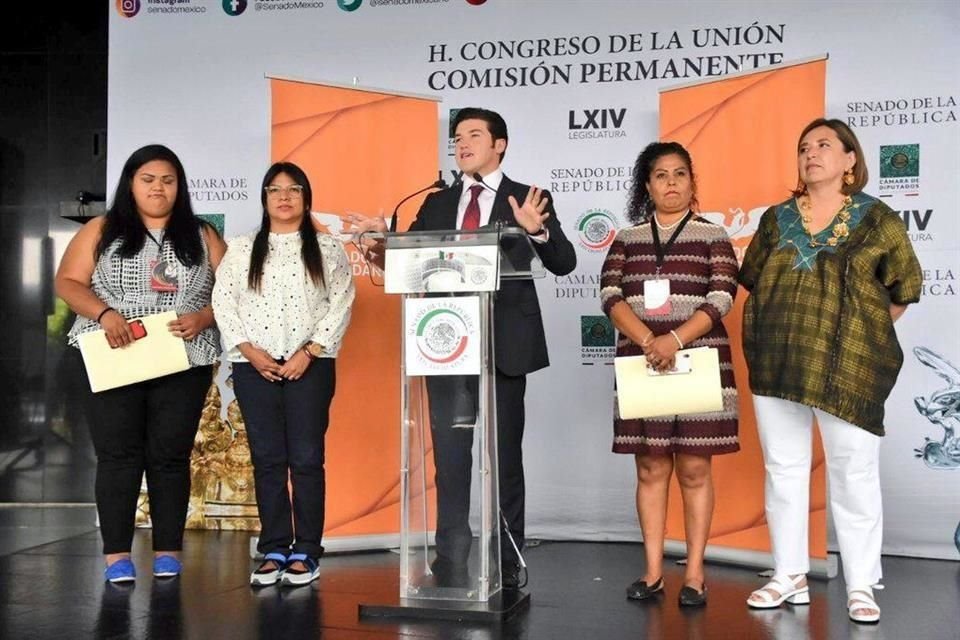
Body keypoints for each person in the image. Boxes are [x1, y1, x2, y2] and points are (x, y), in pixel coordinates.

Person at [352, 107, 576, 589]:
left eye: (475, 135)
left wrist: (535, 230)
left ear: (501, 144)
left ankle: (508, 557)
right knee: (451, 459)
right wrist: (380, 249)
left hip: (505, 346)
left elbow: (563, 262)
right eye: (457, 137)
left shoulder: (527, 197)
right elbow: (407, 256)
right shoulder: (435, 202)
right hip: (446, 343)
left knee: (504, 458)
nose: (463, 143)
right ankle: (450, 559)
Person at [740, 119, 922, 623]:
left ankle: (862, 584)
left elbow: (902, 290)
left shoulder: (877, 219)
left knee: (853, 472)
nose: (811, 153)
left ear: (849, 160)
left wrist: (853, 332)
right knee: (784, 469)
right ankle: (788, 574)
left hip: (848, 365)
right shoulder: (776, 220)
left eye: (824, 145)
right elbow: (754, 280)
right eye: (803, 147)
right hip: (778, 357)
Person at [55, 144, 225, 582]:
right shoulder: (102, 228)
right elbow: (68, 281)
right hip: (113, 352)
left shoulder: (202, 234)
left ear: (179, 187)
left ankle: (169, 551)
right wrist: (105, 314)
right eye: (148, 179)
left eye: (168, 180)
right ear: (131, 183)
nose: (158, 188)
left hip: (182, 357)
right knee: (118, 456)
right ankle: (117, 557)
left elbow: (231, 293)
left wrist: (205, 316)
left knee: (170, 456)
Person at [600, 141, 740, 607]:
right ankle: (654, 572)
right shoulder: (626, 238)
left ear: (692, 182)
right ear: (648, 185)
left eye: (680, 174)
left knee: (696, 468)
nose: (672, 183)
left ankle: (696, 573)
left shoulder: (713, 235)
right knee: (650, 466)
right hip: (642, 365)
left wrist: (674, 341)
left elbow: (722, 296)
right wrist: (649, 343)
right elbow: (609, 295)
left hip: (699, 363)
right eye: (661, 175)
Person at [212, 162, 355, 588]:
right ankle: (274, 547)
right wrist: (251, 354)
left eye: (293, 189)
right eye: (275, 190)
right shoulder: (241, 248)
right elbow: (224, 303)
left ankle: (308, 550)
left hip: (309, 367)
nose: (284, 197)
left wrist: (309, 353)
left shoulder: (327, 250)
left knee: (307, 460)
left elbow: (342, 302)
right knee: (268, 459)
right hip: (255, 367)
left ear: (306, 197)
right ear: (264, 198)